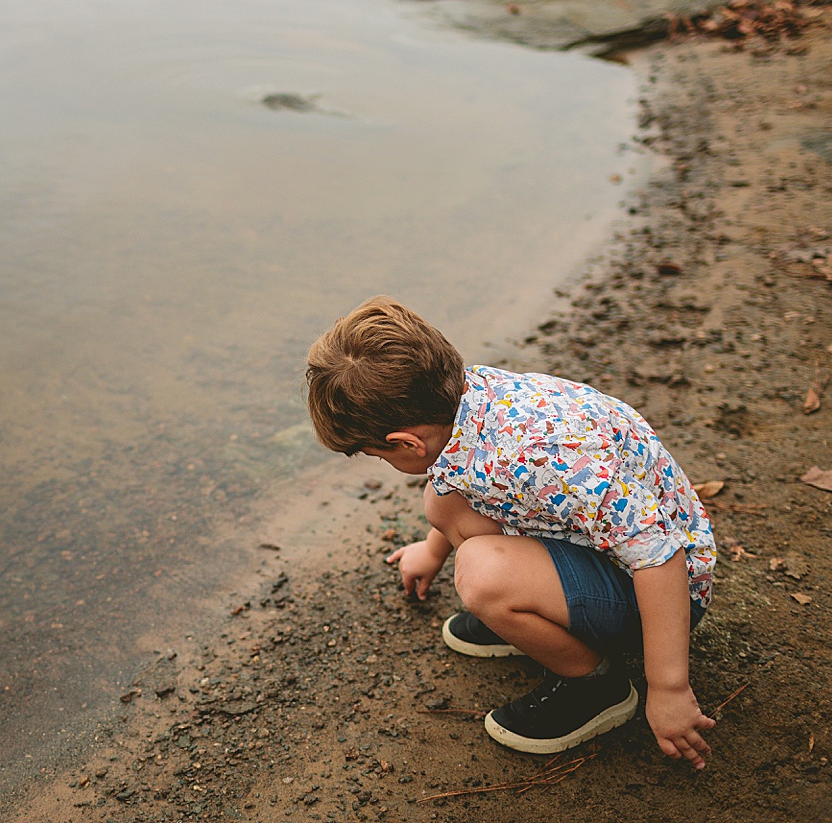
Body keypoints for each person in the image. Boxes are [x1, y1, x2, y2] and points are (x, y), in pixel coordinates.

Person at [305, 296, 718, 768]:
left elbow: (658, 557)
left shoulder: (547, 458)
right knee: (442, 499)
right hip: (605, 548)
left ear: (406, 443)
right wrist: (431, 549)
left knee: (481, 576)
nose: (385, 462)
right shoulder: (470, 397)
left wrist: (669, 688)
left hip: (668, 590)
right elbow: (461, 485)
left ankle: (595, 683)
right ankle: (535, 614)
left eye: (380, 456)